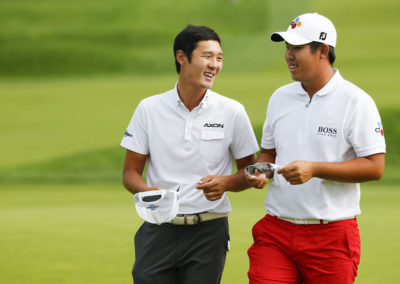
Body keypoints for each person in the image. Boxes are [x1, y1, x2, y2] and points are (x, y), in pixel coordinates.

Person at [246, 13, 386, 284]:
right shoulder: (280, 97)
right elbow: (269, 153)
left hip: (331, 236)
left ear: (323, 50)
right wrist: (262, 171)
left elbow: (375, 166)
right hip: (276, 230)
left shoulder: (356, 101)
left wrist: (315, 169)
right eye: (287, 47)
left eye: (296, 48)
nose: (288, 55)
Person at [120, 24, 259, 284]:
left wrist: (227, 183)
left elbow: (250, 172)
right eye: (207, 56)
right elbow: (130, 173)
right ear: (181, 57)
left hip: (209, 231)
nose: (214, 65)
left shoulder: (232, 111)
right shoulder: (149, 109)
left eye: (219, 58)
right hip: (158, 228)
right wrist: (149, 193)